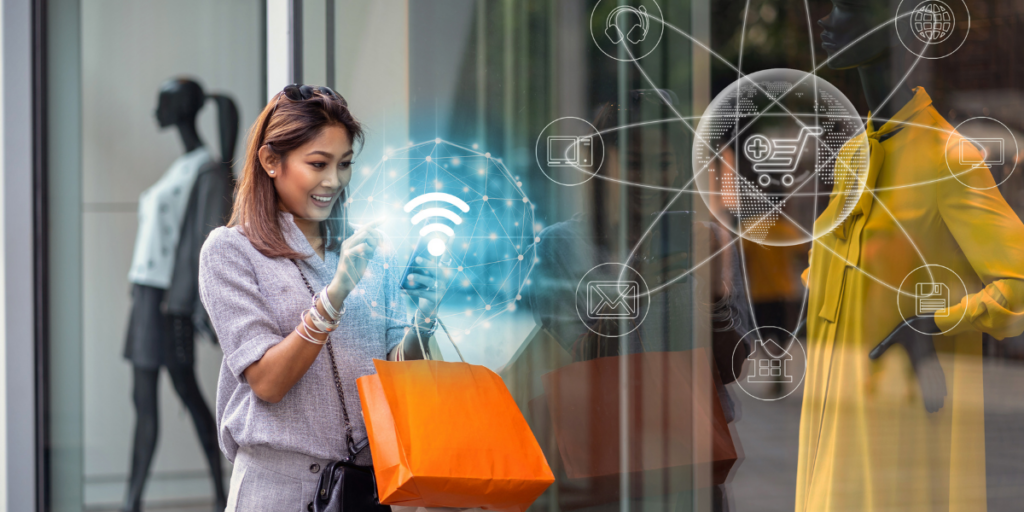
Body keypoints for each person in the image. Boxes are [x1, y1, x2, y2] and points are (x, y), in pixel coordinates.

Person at [797, 1, 1024, 510]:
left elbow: (1019, 281)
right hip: (834, 407)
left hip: (898, 424)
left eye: (847, 7)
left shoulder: (949, 158)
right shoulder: (857, 152)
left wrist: (939, 323)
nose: (827, 21)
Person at [198, 84, 447, 511]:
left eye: (345, 164)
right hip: (278, 492)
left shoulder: (370, 254)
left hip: (366, 491)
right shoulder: (230, 251)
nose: (334, 181)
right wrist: (335, 295)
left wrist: (425, 317)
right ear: (271, 161)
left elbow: (400, 380)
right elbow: (268, 383)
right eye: (318, 164)